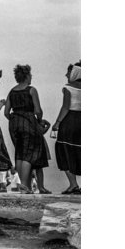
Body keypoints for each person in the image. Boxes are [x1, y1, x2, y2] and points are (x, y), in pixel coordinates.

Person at [3, 64, 52, 193]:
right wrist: (39, 121)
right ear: (26, 76)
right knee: (29, 154)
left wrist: (16, 120)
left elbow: (6, 112)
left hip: (14, 124)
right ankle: (25, 186)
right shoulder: (31, 90)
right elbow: (38, 111)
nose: (31, 77)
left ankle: (22, 185)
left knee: (19, 153)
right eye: (30, 75)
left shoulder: (12, 91)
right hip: (29, 122)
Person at [51, 61, 81, 194]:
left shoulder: (68, 87)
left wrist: (57, 123)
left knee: (64, 150)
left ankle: (73, 184)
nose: (66, 74)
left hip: (70, 121)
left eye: (69, 72)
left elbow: (65, 107)